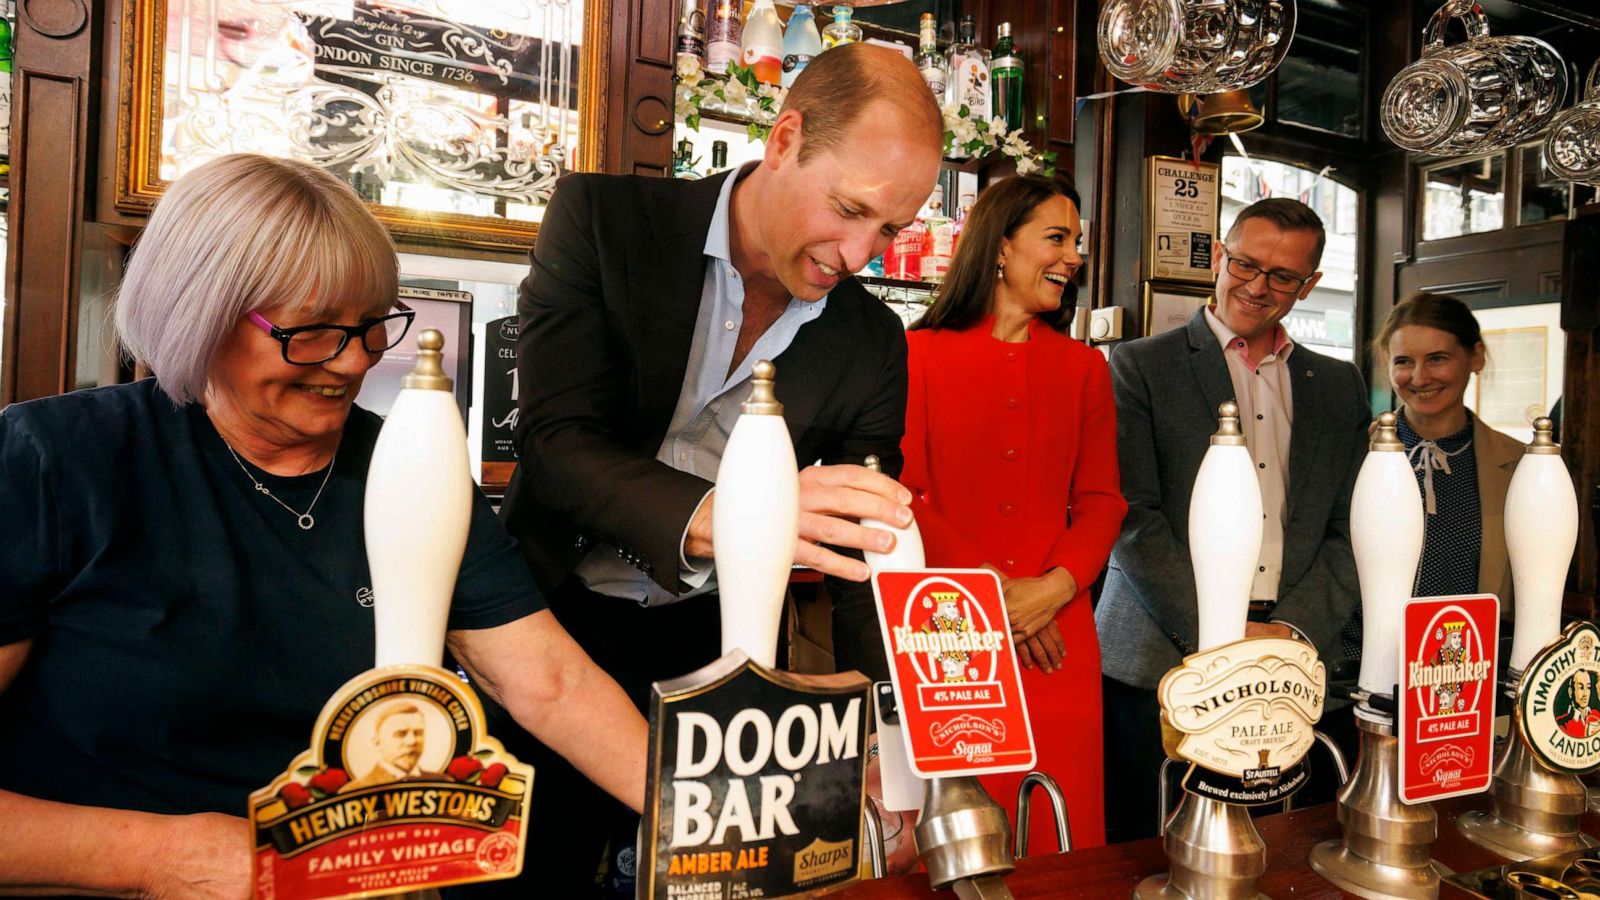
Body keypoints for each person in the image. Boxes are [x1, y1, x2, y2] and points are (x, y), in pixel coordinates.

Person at [0, 154, 648, 896]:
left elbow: (550, 681)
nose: (350, 364)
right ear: (198, 311)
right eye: (309, 332)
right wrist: (161, 857)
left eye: (371, 327)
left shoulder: (409, 465)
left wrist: (706, 821)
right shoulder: (55, 460)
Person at [494, 42, 944, 893]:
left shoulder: (872, 338)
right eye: (849, 210)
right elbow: (555, 442)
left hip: (721, 649)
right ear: (783, 140)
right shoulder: (601, 219)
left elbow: (861, 545)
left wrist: (886, 742)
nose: (860, 255)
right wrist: (741, 513)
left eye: (891, 229)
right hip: (552, 629)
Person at [1096, 198, 1370, 843]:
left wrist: (1289, 630)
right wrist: (1221, 628)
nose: (1256, 285)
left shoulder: (1340, 384)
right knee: (1149, 851)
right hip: (1160, 654)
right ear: (1219, 256)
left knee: (1285, 852)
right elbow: (1131, 516)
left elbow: (1353, 526)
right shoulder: (1140, 365)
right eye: (1245, 263)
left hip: (1294, 656)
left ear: (1310, 285)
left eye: (1282, 276)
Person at [900, 175, 1127, 850]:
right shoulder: (915, 354)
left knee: (1059, 828)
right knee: (958, 832)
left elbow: (1102, 500)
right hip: (949, 631)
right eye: (1056, 238)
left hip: (1059, 639)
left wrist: (1054, 588)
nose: (1074, 257)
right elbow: (903, 493)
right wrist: (995, 598)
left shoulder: (1085, 369)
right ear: (999, 247)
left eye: (1078, 243)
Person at [1370, 292, 1521, 602]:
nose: (1419, 377)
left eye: (1437, 358)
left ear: (1475, 357)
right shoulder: (1353, 453)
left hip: (1471, 647)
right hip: (1354, 649)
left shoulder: (1521, 466)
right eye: (1404, 361)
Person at [343, 702, 434, 791]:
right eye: (400, 734)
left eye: (418, 733)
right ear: (377, 743)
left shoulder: (442, 782)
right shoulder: (354, 791)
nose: (412, 741)